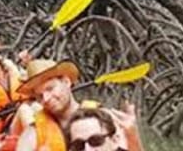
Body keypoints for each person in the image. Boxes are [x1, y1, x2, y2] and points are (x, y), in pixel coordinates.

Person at [8, 59, 142, 151]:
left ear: (66, 82)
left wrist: (133, 137)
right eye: (40, 96)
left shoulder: (104, 118)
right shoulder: (33, 133)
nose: (46, 99)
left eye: (50, 89)